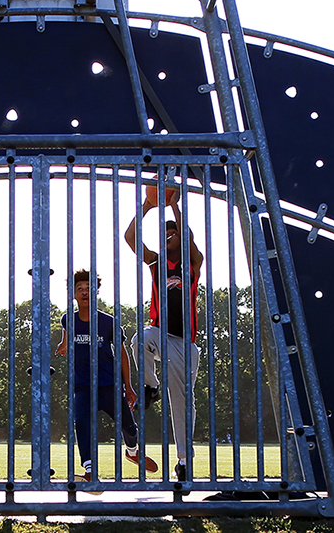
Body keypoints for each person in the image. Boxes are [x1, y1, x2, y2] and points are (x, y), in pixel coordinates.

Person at [124, 189, 205, 481]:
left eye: (173, 234)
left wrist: (173, 209)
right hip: (161, 335)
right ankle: (150, 386)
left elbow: (189, 238)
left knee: (183, 404)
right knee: (139, 339)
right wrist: (147, 205)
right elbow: (130, 238)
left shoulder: (193, 263)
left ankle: (184, 462)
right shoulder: (157, 263)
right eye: (166, 235)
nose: (169, 237)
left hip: (186, 345)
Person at [58, 270, 159, 483]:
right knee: (82, 423)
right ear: (73, 294)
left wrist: (128, 387)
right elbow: (67, 337)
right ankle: (90, 470)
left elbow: (122, 354)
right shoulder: (69, 319)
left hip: (109, 384)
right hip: (83, 386)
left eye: (89, 288)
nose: (85, 292)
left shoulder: (108, 322)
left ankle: (132, 452)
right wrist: (63, 344)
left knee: (129, 427)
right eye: (80, 289)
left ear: (96, 292)